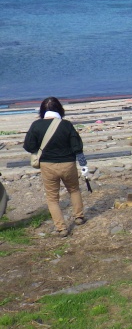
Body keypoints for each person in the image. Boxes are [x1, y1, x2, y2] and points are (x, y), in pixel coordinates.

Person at [23, 97, 89, 237]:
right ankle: (79, 217)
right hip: (68, 164)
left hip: (48, 166)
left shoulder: (36, 125)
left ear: (42, 111)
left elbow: (29, 146)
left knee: (52, 198)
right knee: (74, 190)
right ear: (60, 109)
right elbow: (77, 147)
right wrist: (83, 165)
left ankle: (61, 228)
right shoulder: (66, 125)